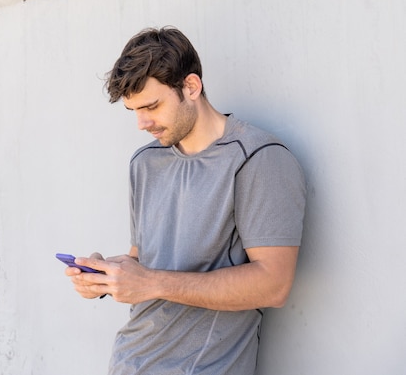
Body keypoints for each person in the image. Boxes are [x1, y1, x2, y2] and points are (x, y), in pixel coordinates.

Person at [64, 27, 306, 375]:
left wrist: (150, 281)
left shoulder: (257, 159)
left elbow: (274, 284)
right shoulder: (145, 162)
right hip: (128, 362)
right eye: (133, 110)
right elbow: (145, 259)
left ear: (191, 86)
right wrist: (108, 276)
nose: (142, 123)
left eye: (152, 106)